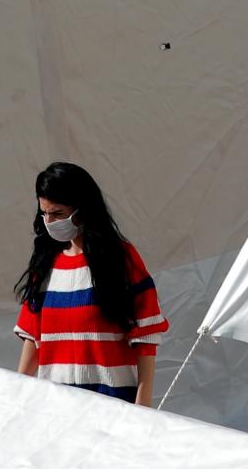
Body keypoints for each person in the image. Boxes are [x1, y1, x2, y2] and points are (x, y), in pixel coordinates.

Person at [13, 161, 168, 407]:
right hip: (57, 406)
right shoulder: (44, 266)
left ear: (82, 210)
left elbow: (146, 335)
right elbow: (34, 337)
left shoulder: (120, 259)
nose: (50, 221)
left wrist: (143, 403)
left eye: (58, 214)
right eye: (45, 213)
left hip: (114, 403)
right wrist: (17, 389)